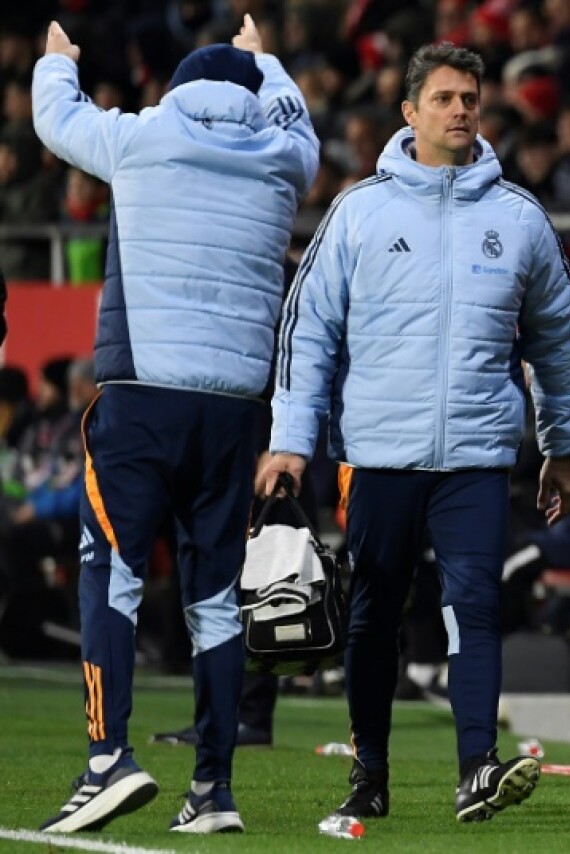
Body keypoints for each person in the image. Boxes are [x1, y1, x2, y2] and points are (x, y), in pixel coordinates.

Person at [257, 42, 570, 825]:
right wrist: (291, 441)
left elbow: (558, 340)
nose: (461, 109)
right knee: (373, 613)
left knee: (475, 603)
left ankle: (477, 766)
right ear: (409, 112)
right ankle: (369, 770)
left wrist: (563, 445)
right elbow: (308, 334)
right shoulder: (359, 212)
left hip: (476, 455)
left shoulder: (520, 219)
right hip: (379, 454)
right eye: (443, 98)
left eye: (470, 97)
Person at [33, 16, 318, 834]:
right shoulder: (282, 157)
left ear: (179, 89)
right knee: (218, 601)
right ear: (255, 91)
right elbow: (300, 120)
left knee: (111, 576)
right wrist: (268, 59)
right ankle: (214, 791)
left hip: (143, 400)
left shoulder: (143, 137)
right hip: (235, 410)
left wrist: (57, 64)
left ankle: (106, 760)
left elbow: (56, 121)